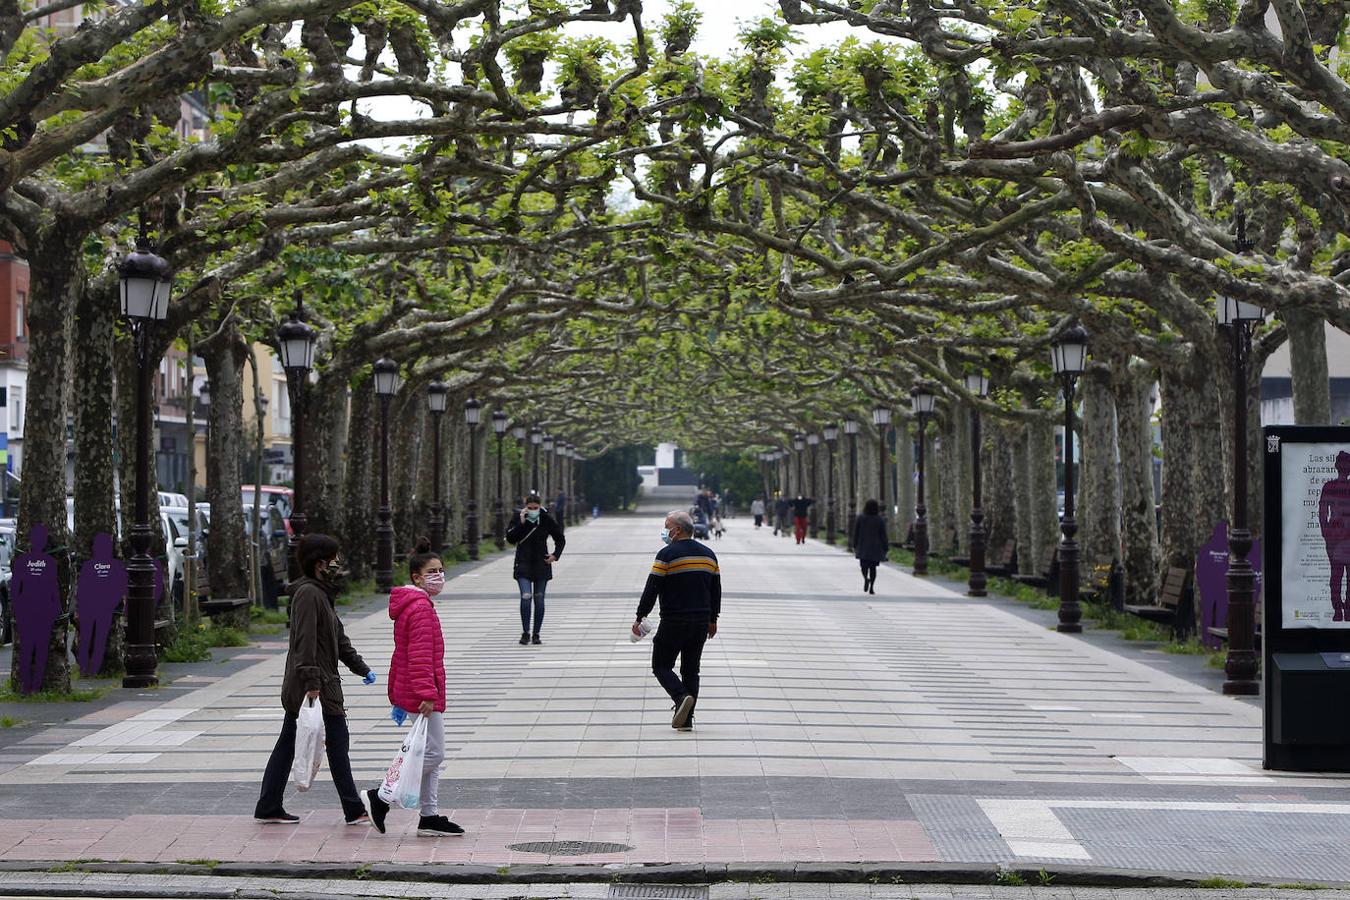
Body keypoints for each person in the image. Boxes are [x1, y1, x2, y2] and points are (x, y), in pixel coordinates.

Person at [256, 533, 375, 825]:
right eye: (334, 557)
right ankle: (353, 808)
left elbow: (338, 638)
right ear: (320, 562)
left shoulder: (320, 592)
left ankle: (269, 805)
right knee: (337, 743)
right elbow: (304, 642)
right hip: (314, 686)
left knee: (289, 744)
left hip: (317, 683)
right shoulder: (309, 594)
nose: (338, 562)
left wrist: (361, 668)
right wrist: (312, 684)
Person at [365, 538, 462, 837]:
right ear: (416, 578)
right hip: (421, 693)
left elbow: (410, 654)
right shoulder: (419, 608)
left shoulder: (416, 604)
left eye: (441, 570)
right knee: (434, 754)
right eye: (432, 571)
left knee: (429, 753)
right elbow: (419, 657)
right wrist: (427, 696)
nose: (439, 576)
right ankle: (381, 796)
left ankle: (429, 815)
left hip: (417, 690)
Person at [634, 510, 721, 732]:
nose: (665, 530)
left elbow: (652, 587)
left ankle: (681, 696)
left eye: (667, 526)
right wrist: (713, 619)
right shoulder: (709, 555)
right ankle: (686, 720)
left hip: (674, 620)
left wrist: (640, 615)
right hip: (701, 621)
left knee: (661, 665)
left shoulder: (667, 554)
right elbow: (715, 590)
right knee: (691, 670)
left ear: (677, 530)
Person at [506, 493, 566, 645]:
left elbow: (560, 538)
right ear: (526, 506)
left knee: (539, 598)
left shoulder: (545, 518)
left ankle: (536, 633)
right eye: (530, 508)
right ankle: (525, 632)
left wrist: (555, 555)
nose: (533, 510)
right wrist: (521, 523)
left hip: (541, 564)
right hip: (523, 563)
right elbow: (510, 538)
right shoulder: (518, 516)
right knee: (526, 596)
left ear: (540, 507)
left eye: (536, 508)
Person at [1319, 450, 1350, 621]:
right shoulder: (1329, 487)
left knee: (1337, 575)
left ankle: (1340, 610)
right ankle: (1341, 610)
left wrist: (1326, 532)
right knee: (1339, 575)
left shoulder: (1328, 487)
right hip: (1337, 536)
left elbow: (1322, 512)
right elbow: (1322, 512)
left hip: (1338, 535)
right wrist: (1326, 533)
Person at [852, 499, 889, 595]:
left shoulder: (860, 518)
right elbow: (883, 535)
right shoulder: (879, 519)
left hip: (863, 546)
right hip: (875, 547)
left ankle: (865, 578)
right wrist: (886, 547)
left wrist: (854, 544)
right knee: (873, 568)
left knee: (863, 566)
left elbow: (856, 532)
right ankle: (872, 587)